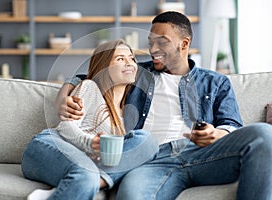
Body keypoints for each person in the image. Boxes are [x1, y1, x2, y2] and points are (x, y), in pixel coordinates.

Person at [57, 12, 272, 200]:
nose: (153, 49)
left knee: (264, 133)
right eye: (151, 42)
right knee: (132, 195)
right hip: (150, 159)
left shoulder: (216, 82)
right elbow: (94, 74)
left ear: (184, 44)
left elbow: (231, 124)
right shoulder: (137, 73)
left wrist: (217, 133)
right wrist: (64, 93)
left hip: (204, 155)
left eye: (162, 42)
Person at [21, 39, 158, 200]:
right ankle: (79, 184)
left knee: (147, 141)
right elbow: (66, 127)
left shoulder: (126, 117)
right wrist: (90, 142)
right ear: (104, 67)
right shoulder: (90, 88)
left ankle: (73, 187)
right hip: (50, 146)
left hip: (85, 167)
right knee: (87, 174)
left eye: (132, 58)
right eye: (120, 59)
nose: (130, 63)